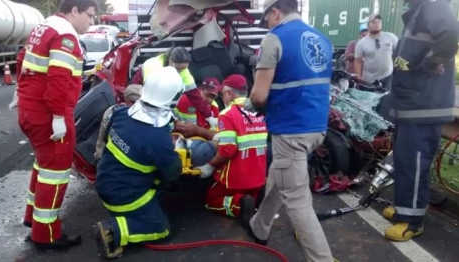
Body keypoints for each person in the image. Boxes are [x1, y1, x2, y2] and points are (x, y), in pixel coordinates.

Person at [244, 1, 334, 261]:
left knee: (297, 200)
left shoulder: (275, 39)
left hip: (291, 128)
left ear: (275, 12)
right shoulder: (322, 39)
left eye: (267, 20)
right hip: (316, 127)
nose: (268, 26)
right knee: (280, 175)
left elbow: (259, 96)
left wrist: (248, 103)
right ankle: (259, 226)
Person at [17, 0, 97, 250]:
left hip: (31, 111)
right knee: (55, 175)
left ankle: (34, 219)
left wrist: (19, 92)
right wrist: (60, 118)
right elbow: (59, 80)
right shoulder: (66, 36)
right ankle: (47, 234)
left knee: (43, 167)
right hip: (50, 116)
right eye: (90, 15)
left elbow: (23, 59)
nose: (92, 22)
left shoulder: (44, 27)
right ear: (75, 11)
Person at [383, 0, 459, 241]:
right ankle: (405, 209)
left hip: (423, 107)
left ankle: (413, 221)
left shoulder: (432, 7)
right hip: (410, 107)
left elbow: (450, 37)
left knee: (414, 165)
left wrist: (429, 64)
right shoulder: (416, 16)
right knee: (405, 163)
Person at [94, 66, 184, 259]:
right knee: (161, 228)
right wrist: (176, 151)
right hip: (123, 198)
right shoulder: (157, 139)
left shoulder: (120, 114)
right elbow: (173, 172)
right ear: (174, 98)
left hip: (105, 182)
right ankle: (113, 230)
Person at [194, 74, 267, 224]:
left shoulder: (227, 114)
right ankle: (253, 200)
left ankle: (237, 205)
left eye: (222, 94)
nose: (222, 98)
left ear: (228, 93)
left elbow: (227, 149)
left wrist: (209, 166)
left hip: (235, 178)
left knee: (211, 199)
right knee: (249, 195)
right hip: (258, 176)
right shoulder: (259, 112)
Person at [131, 47, 218, 129]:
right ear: (170, 60)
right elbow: (149, 96)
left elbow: (195, 96)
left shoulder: (183, 70)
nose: (180, 72)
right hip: (139, 91)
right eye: (178, 68)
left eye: (183, 69)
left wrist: (208, 116)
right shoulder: (154, 67)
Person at [94, 84, 142, 161]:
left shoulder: (142, 117)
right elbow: (104, 138)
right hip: (108, 157)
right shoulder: (112, 112)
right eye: (133, 102)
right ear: (126, 100)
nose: (136, 106)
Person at [354, 14, 399, 89]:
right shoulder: (361, 43)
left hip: (388, 78)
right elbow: (358, 61)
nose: (377, 24)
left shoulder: (391, 37)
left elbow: (399, 53)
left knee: (387, 99)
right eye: (374, 22)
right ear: (368, 25)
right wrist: (358, 77)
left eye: (379, 22)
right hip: (369, 81)